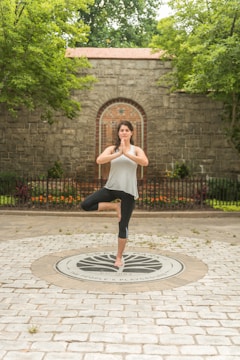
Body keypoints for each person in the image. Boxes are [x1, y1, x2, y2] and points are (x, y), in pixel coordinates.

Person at [81, 120, 149, 267]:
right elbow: (100, 160)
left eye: (126, 130)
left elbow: (144, 162)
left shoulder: (136, 150)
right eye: (121, 130)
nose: (124, 132)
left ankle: (118, 257)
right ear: (118, 133)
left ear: (131, 132)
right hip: (111, 188)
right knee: (86, 204)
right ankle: (115, 207)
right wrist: (119, 154)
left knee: (123, 225)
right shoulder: (112, 149)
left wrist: (127, 153)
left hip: (128, 192)